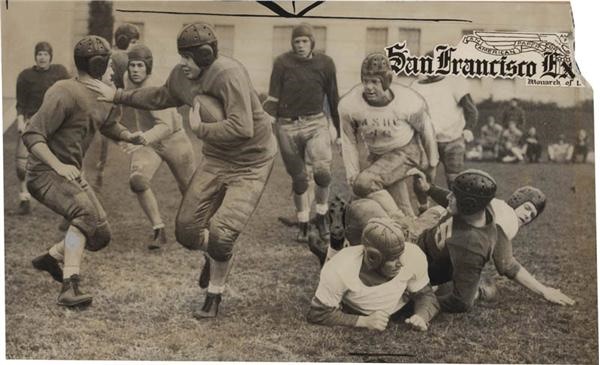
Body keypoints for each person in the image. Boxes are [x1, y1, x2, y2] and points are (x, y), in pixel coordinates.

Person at [85, 23, 278, 319]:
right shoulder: (181, 76)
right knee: (187, 231)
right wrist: (118, 96)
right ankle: (212, 255)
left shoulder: (229, 73)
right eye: (181, 57)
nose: (183, 63)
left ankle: (214, 294)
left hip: (251, 160)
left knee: (222, 234)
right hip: (217, 158)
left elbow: (243, 127)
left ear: (205, 55)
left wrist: (202, 128)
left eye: (189, 58)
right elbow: (159, 97)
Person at [25, 35, 145, 307]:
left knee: (100, 234)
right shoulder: (63, 90)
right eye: (112, 66)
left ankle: (52, 257)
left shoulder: (104, 96)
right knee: (85, 214)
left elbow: (108, 124)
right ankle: (70, 287)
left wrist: (129, 136)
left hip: (69, 174)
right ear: (100, 65)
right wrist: (58, 165)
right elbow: (32, 135)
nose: (116, 72)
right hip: (44, 172)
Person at [409, 169, 575, 311]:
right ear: (518, 200)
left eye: (532, 215)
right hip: (433, 259)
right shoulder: (502, 222)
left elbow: (454, 197)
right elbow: (508, 265)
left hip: (424, 244)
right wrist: (544, 290)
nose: (527, 216)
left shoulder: (487, 204)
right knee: (487, 288)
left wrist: (429, 188)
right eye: (527, 208)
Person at [264, 23, 340, 242]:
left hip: (316, 123)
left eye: (304, 41)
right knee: (299, 179)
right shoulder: (282, 62)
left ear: (312, 42)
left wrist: (339, 130)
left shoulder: (325, 63)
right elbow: (273, 98)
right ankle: (304, 223)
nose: (300, 45)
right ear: (292, 43)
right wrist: (266, 122)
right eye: (297, 41)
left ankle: (323, 216)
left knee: (322, 172)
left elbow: (333, 97)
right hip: (286, 126)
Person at [339, 52, 438, 217]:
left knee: (365, 183)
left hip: (406, 150)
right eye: (365, 81)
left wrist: (432, 163)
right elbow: (348, 139)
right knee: (389, 203)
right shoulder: (350, 104)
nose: (369, 87)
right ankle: (411, 227)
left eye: (375, 82)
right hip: (378, 155)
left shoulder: (407, 100)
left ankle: (397, 219)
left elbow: (426, 130)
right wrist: (352, 172)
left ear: (386, 81)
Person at [120, 44, 196, 249]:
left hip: (173, 139)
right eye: (132, 65)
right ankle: (158, 229)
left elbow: (166, 126)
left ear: (148, 67)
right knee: (137, 181)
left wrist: (142, 139)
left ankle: (203, 229)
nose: (135, 70)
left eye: (140, 66)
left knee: (191, 190)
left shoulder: (154, 87)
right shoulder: (128, 80)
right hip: (150, 142)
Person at [307, 217, 439, 331]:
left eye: (401, 255)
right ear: (374, 258)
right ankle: (331, 251)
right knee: (331, 268)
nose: (402, 263)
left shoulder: (412, 254)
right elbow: (318, 313)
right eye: (394, 259)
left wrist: (421, 316)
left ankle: (329, 252)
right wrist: (363, 321)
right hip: (345, 281)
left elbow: (426, 295)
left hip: (399, 304)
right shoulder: (341, 268)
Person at [14, 41, 70, 215]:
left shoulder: (60, 72)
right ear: (35, 56)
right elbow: (20, 103)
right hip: (32, 121)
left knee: (65, 160)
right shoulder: (25, 76)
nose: (42, 57)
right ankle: (24, 198)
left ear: (50, 57)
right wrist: (20, 121)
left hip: (54, 121)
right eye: (39, 54)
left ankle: (67, 201)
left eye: (45, 54)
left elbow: (69, 95)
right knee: (22, 164)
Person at [94, 23, 141, 188]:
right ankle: (98, 170)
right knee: (109, 132)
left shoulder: (108, 54)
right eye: (134, 42)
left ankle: (98, 171)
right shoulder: (125, 58)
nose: (135, 46)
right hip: (110, 103)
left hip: (98, 102)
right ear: (125, 40)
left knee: (101, 138)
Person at [411, 73, 479, 187]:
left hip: (453, 138)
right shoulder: (416, 85)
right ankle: (423, 205)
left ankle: (454, 205)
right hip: (427, 141)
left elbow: (471, 110)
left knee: (454, 180)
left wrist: (468, 128)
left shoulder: (454, 81)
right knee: (422, 180)